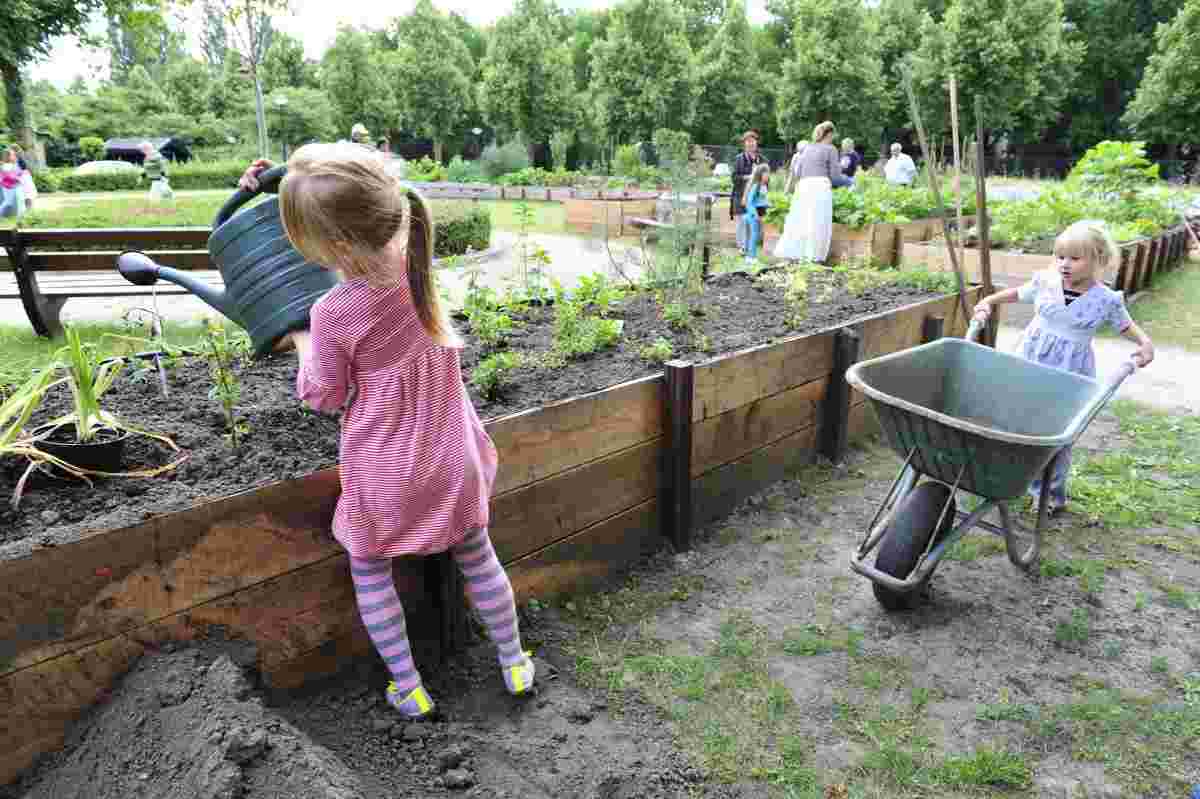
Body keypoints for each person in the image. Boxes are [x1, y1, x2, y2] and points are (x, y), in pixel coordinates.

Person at [238, 144, 535, 718]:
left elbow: (323, 395)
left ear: (337, 248)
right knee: (478, 553)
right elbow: (341, 195)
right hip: (453, 453)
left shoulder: (333, 312)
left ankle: (408, 685)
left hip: (387, 471)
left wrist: (301, 341)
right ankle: (515, 659)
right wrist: (272, 182)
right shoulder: (416, 265)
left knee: (369, 565)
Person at [972, 220, 1155, 512]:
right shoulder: (1046, 281)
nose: (1065, 264)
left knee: (1056, 433)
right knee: (1016, 420)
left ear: (1098, 260)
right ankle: (1005, 477)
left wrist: (1145, 344)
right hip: (1029, 362)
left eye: (1074, 258)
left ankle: (1049, 494)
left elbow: (1125, 325)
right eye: (1060, 257)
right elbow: (1018, 294)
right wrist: (989, 301)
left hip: (1069, 373)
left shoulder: (1105, 299)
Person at [773, 121, 850, 263]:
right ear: (830, 134)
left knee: (800, 221)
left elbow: (798, 171)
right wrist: (849, 181)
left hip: (803, 186)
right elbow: (835, 176)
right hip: (819, 187)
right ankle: (814, 257)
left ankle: (796, 254)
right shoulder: (830, 149)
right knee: (818, 222)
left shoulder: (807, 148)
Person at [730, 130, 765, 254]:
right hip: (741, 195)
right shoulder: (739, 159)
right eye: (748, 141)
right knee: (742, 222)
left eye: (753, 141)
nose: (751, 144)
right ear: (744, 144)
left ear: (756, 143)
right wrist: (749, 177)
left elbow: (767, 177)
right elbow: (734, 178)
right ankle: (742, 247)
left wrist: (762, 179)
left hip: (756, 197)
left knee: (754, 222)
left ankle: (751, 246)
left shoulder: (762, 159)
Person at [742, 163, 771, 261]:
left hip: (760, 214)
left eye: (768, 174)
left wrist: (770, 205)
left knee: (757, 235)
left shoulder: (765, 186)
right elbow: (749, 202)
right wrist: (755, 214)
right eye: (765, 174)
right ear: (760, 174)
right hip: (753, 214)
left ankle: (752, 255)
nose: (767, 176)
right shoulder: (756, 186)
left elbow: (763, 200)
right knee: (754, 235)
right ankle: (750, 257)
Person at [1, 148, 26, 218]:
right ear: (8, 156)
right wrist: (19, 178)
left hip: (15, 185)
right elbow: (10, 176)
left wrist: (21, 174)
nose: (14, 156)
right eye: (12, 155)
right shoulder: (6, 165)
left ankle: (21, 216)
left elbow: (18, 172)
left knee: (20, 200)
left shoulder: (12, 164)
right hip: (10, 186)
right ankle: (21, 216)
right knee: (8, 202)